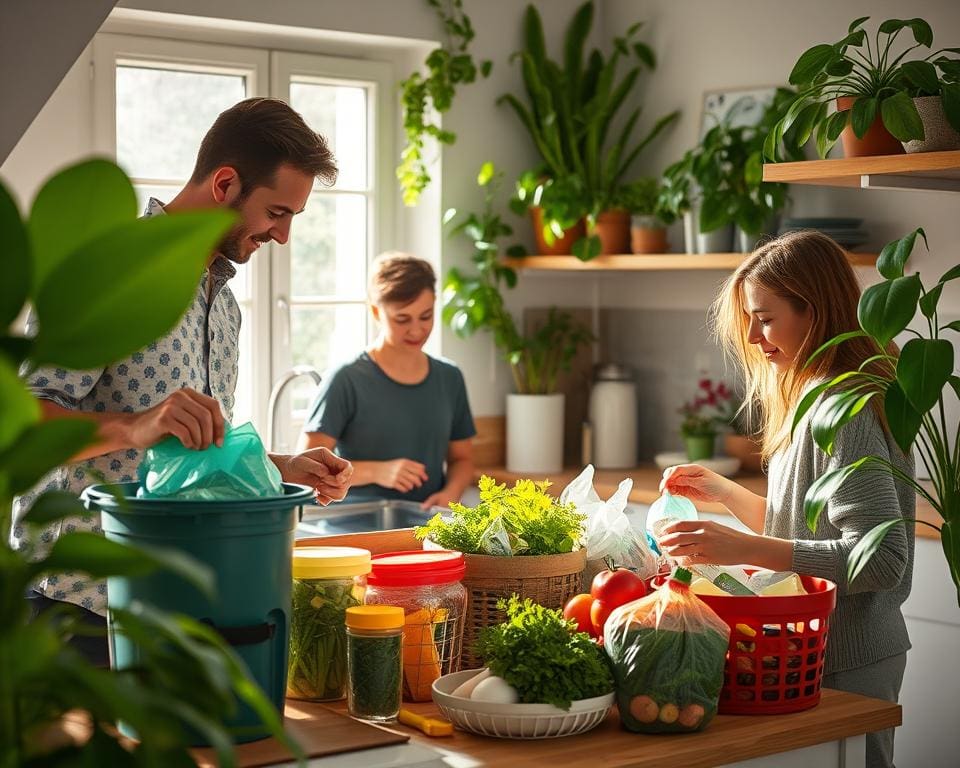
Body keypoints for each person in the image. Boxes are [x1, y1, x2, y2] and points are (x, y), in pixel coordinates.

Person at [12, 97, 354, 665]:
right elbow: (23, 421)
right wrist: (133, 425)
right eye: (277, 213)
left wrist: (279, 467)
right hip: (75, 609)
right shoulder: (109, 271)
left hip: (170, 606)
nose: (284, 235)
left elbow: (193, 446)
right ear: (225, 184)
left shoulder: (224, 307)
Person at [658, 230, 914, 768]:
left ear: (815, 313)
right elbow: (808, 528)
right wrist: (725, 493)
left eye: (766, 318)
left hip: (850, 659)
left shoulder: (845, 407)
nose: (752, 336)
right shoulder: (813, 395)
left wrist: (744, 549)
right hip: (811, 652)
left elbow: (883, 560)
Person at [298, 253, 476, 508]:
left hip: (426, 524)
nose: (416, 330)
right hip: (352, 526)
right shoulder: (346, 379)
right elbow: (307, 468)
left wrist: (451, 494)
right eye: (402, 319)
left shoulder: (449, 377)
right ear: (376, 312)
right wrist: (378, 471)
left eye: (426, 316)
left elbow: (462, 459)